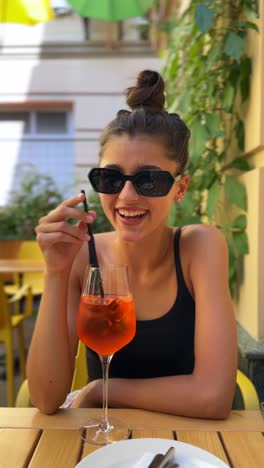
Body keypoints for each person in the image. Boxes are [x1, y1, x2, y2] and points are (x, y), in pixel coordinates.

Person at [27, 70, 237, 418]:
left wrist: (102, 389)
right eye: (110, 178)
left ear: (180, 188)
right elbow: (47, 398)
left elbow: (214, 397)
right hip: (107, 441)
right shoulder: (82, 253)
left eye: (149, 180)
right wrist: (55, 272)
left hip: (192, 438)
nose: (126, 196)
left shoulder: (199, 247)